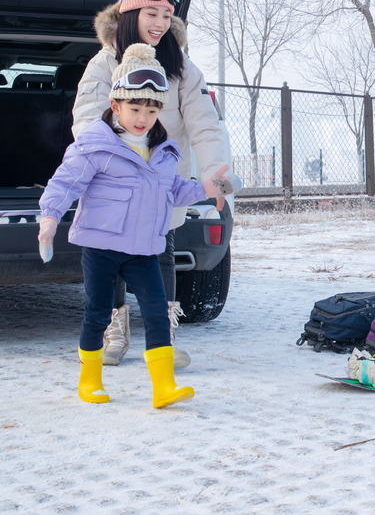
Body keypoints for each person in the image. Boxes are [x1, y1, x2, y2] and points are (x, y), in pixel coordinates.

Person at [37, 44, 240, 407]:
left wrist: (211, 187)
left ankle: (163, 387)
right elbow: (65, 182)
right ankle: (90, 380)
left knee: (157, 313)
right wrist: (50, 217)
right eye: (134, 108)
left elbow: (176, 191)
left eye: (151, 108)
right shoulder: (95, 145)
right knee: (98, 312)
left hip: (145, 249)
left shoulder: (164, 151)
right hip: (101, 248)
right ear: (115, 106)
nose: (142, 117)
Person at [73, 0, 228, 369]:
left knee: (160, 251)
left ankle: (164, 338)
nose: (160, 24)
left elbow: (204, 123)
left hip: (161, 181)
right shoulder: (104, 63)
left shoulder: (181, 66)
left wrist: (215, 176)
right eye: (151, 14)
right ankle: (115, 329)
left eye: (166, 16)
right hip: (114, 182)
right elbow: (88, 118)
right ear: (130, 15)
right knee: (112, 258)